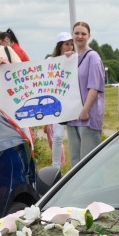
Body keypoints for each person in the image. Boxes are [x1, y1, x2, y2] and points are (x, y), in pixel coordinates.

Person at [66, 21, 105, 167]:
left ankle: (95, 189)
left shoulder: (93, 57)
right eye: (77, 33)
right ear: (72, 35)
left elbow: (94, 87)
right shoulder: (72, 58)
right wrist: (67, 60)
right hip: (73, 116)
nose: (80, 36)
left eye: (83, 33)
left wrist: (85, 110)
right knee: (75, 161)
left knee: (89, 163)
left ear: (89, 35)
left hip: (87, 116)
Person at [46, 31, 75, 170]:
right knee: (57, 136)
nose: (69, 47)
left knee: (74, 133)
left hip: (72, 101)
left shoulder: (75, 58)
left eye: (71, 44)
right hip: (56, 102)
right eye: (66, 44)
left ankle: (76, 163)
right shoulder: (50, 62)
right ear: (60, 46)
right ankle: (55, 167)